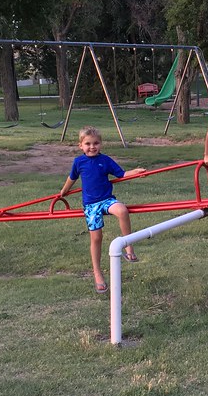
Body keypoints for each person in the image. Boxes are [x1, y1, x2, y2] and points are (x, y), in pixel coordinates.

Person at [59, 126, 145, 294]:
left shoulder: (105, 160)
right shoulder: (79, 162)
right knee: (96, 237)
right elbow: (72, 178)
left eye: (96, 143)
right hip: (91, 206)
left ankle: (128, 247)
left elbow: (121, 174)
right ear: (80, 145)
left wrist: (135, 172)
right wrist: (63, 192)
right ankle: (97, 273)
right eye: (88, 144)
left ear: (101, 144)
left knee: (122, 210)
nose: (92, 147)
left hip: (106, 200)